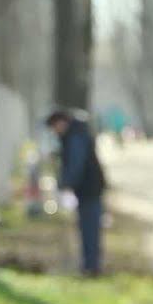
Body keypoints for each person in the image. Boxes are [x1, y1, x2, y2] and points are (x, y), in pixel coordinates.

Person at [45, 107, 107, 277]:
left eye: (54, 127)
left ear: (61, 123)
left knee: (89, 229)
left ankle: (92, 267)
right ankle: (89, 264)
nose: (55, 132)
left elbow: (76, 163)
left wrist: (65, 184)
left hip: (89, 189)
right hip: (86, 189)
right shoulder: (75, 134)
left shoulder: (75, 137)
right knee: (87, 228)